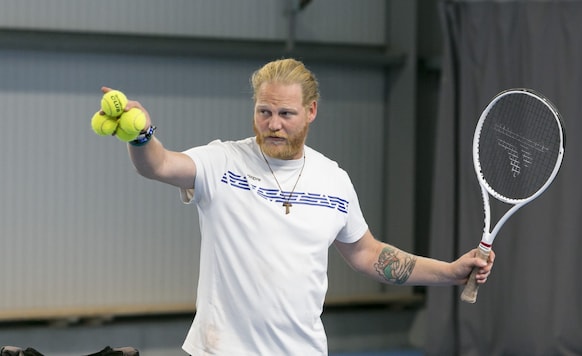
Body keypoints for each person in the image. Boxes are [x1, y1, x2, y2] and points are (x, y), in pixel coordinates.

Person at [100, 58, 495, 355]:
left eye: (286, 114)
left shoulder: (333, 180)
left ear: (311, 111)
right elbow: (160, 164)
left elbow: (368, 254)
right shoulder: (221, 162)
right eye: (264, 111)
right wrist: (141, 136)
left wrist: (450, 272)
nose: (273, 124)